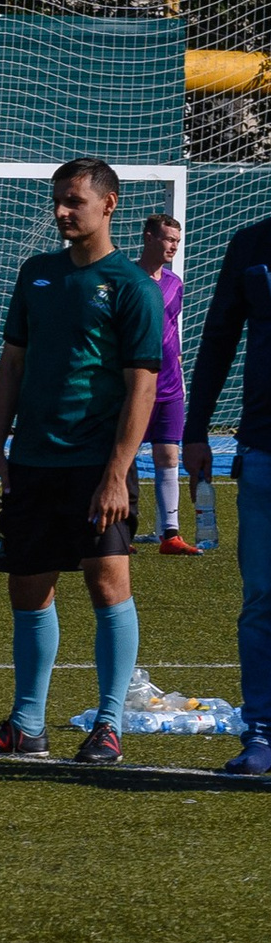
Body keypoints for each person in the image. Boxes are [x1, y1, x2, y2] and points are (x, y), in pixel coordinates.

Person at [0, 159, 161, 765]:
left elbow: (141, 385)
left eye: (73, 201)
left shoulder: (130, 285)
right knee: (28, 589)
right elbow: (12, 364)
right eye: (58, 201)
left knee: (107, 583)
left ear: (109, 204)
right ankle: (27, 725)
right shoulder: (37, 274)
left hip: (97, 465)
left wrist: (118, 471)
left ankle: (109, 723)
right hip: (33, 462)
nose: (62, 212)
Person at [184, 203, 271, 773]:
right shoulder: (250, 244)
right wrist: (194, 430)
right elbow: (218, 339)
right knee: (262, 602)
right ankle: (262, 732)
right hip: (265, 451)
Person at [138, 211, 199, 555]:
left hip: (170, 387)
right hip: (134, 385)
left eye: (177, 240)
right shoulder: (126, 278)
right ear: (149, 238)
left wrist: (178, 370)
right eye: (168, 239)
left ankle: (170, 534)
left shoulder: (175, 283)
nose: (174, 245)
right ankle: (120, 530)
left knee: (168, 455)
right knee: (123, 454)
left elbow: (172, 331)